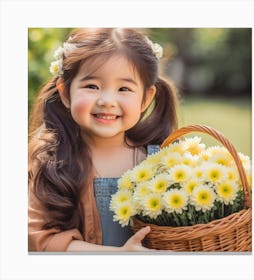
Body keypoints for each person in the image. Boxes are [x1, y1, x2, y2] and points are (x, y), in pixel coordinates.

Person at [28, 28, 178, 252]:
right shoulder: (50, 161)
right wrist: (119, 256)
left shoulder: (161, 162)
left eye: (124, 88)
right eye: (92, 86)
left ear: (145, 99)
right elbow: (40, 240)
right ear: (65, 93)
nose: (107, 100)